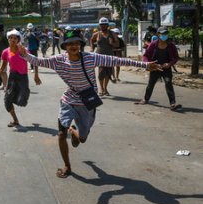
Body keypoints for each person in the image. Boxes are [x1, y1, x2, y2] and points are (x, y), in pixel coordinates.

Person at [20, 29, 161, 178]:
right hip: (69, 100)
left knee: (83, 138)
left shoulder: (91, 58)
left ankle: (74, 132)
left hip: (88, 103)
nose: (73, 46)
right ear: (65, 46)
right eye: (69, 44)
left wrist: (144, 65)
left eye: (76, 43)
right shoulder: (58, 60)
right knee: (61, 133)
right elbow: (38, 61)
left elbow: (116, 60)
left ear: (81, 45)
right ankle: (67, 166)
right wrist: (24, 54)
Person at [0, 29, 41, 127]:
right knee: (7, 101)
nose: (12, 40)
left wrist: (36, 75)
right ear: (8, 39)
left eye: (15, 38)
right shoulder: (5, 52)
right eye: (10, 38)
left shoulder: (23, 50)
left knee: (22, 101)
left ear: (18, 40)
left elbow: (35, 61)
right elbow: (3, 65)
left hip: (23, 77)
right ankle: (15, 120)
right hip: (12, 77)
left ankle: (23, 93)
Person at [135, 27, 180, 111]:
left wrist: (169, 64)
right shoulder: (153, 44)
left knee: (168, 83)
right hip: (155, 67)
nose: (164, 36)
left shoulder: (171, 45)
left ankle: (172, 103)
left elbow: (176, 58)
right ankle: (145, 99)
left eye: (166, 34)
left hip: (166, 68)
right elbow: (146, 55)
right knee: (151, 84)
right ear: (158, 34)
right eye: (162, 34)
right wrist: (148, 63)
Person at [90, 18, 119, 95]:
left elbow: (117, 44)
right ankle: (101, 89)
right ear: (99, 26)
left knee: (108, 73)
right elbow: (92, 40)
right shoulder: (96, 34)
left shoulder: (112, 33)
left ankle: (105, 88)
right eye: (102, 25)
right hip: (100, 55)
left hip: (109, 55)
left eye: (105, 25)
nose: (103, 26)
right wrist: (92, 48)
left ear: (107, 25)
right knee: (101, 72)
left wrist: (112, 43)